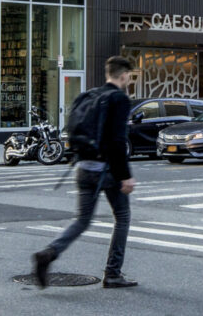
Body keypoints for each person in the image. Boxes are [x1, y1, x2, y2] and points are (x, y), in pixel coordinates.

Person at [32, 55, 138, 290]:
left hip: (84, 167)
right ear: (123, 76)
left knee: (81, 220)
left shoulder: (91, 95)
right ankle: (112, 273)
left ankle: (49, 253)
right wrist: (125, 176)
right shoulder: (119, 99)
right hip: (107, 171)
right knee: (122, 217)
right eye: (129, 76)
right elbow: (118, 141)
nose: (129, 79)